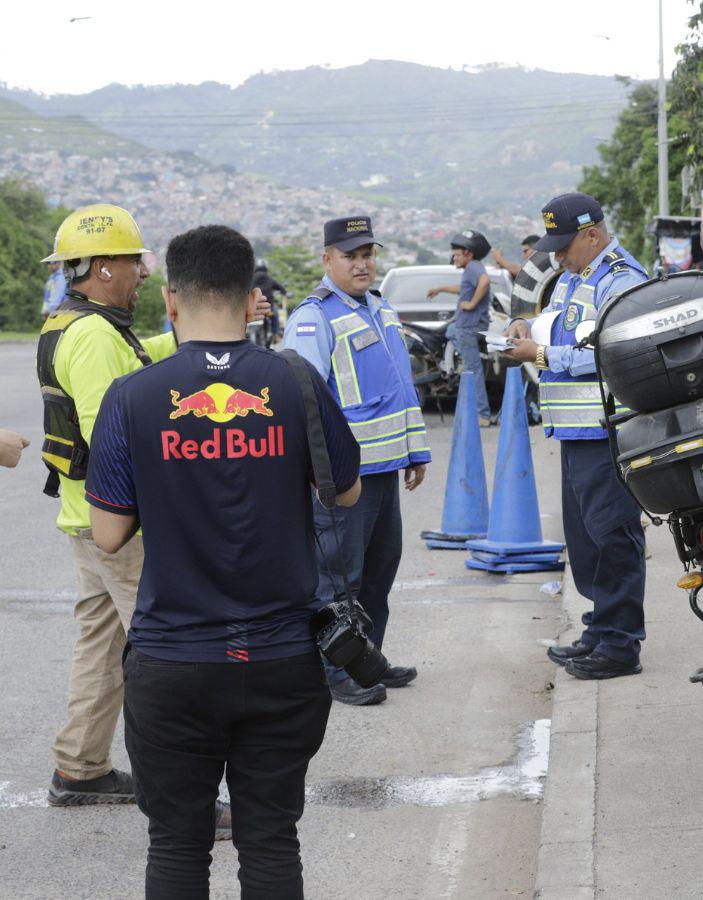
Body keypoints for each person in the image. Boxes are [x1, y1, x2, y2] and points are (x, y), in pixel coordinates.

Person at [85, 224, 361, 898]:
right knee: (271, 839)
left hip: (173, 661)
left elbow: (108, 534)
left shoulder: (134, 397)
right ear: (249, 299)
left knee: (176, 846)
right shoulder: (293, 382)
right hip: (282, 658)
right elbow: (347, 490)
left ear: (172, 302)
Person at [36, 203, 178, 807]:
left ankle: (80, 769)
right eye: (133, 260)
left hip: (87, 521)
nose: (144, 271)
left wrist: (190, 331)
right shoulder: (92, 335)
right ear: (101, 266)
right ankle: (179, 791)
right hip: (122, 529)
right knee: (170, 654)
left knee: (101, 650)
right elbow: (111, 438)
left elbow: (136, 358)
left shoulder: (72, 323)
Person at [281, 216, 430, 705]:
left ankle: (370, 659)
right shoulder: (314, 318)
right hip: (345, 478)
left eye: (368, 253)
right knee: (339, 579)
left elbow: (399, 391)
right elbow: (302, 401)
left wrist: (415, 451)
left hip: (386, 470)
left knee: (380, 573)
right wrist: (323, 474)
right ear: (328, 259)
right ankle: (334, 670)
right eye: (350, 255)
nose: (362, 263)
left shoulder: (379, 309)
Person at [502, 192, 649, 680]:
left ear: (593, 235)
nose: (558, 256)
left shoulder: (621, 281)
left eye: (565, 246)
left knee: (613, 538)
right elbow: (562, 330)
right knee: (586, 541)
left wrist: (537, 357)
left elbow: (610, 351)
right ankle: (600, 628)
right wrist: (528, 327)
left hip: (607, 430)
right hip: (575, 431)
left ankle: (621, 644)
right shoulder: (575, 278)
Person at [427, 230, 493, 426]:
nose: (453, 258)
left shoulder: (473, 267)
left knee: (474, 371)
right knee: (450, 331)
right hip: (464, 326)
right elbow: (463, 289)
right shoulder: (472, 269)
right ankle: (464, 358)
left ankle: (483, 415)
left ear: (468, 253)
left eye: (456, 254)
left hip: (469, 326)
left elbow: (485, 282)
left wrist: (471, 304)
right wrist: (440, 289)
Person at [252, 258, 289, 347]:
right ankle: (276, 335)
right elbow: (282, 289)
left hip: (255, 307)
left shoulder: (251, 280)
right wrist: (285, 294)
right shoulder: (270, 280)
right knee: (275, 316)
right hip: (268, 307)